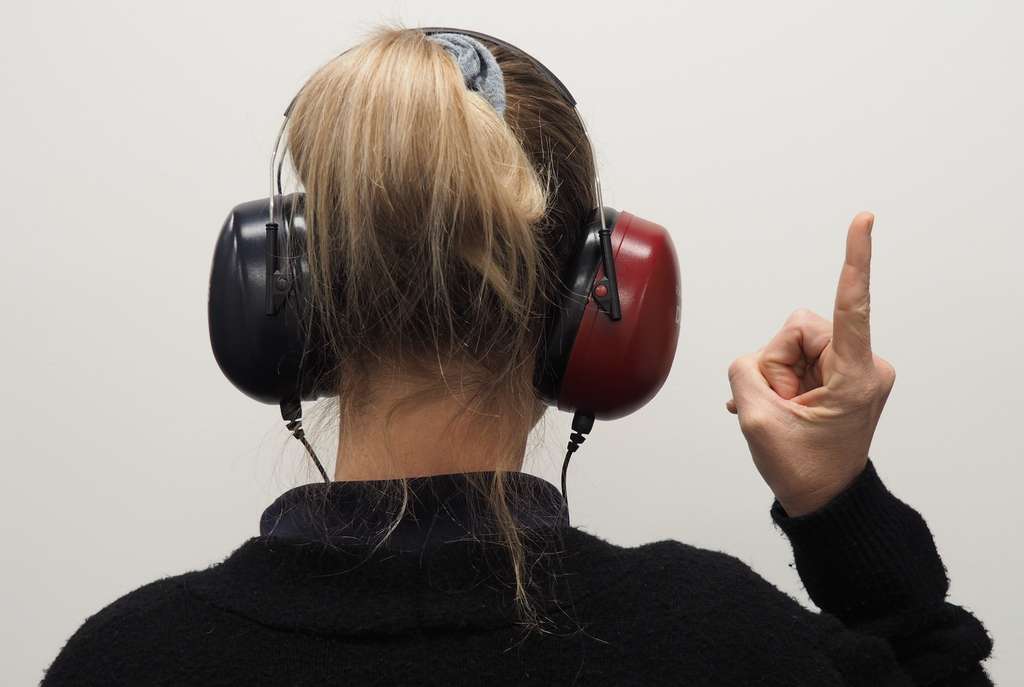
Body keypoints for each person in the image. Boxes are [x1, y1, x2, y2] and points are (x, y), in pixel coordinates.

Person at [42, 27, 992, 686]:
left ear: (284, 295)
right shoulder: (728, 646)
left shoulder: (122, 664)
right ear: (600, 304)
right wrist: (840, 507)